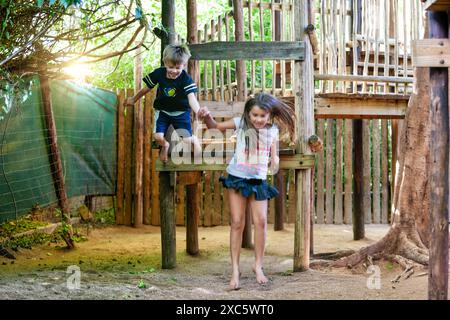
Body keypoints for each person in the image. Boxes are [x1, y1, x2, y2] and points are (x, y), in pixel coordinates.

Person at [198, 93, 296, 290]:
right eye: (255, 115)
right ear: (248, 114)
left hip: (258, 180)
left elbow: (274, 156)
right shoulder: (241, 124)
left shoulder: (273, 131)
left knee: (260, 222)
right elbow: (214, 128)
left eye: (262, 116)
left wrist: (274, 162)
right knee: (237, 222)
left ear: (269, 115)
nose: (258, 119)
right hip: (236, 177)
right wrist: (207, 116)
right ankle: (235, 269)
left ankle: (258, 266)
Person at [125, 44, 201, 163]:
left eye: (178, 68)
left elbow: (191, 98)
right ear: (165, 63)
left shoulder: (186, 79)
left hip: (181, 113)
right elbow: (146, 88)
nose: (174, 71)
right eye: (171, 67)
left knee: (186, 140)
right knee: (158, 137)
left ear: (183, 66)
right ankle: (165, 146)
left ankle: (194, 140)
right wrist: (134, 99)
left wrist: (199, 111)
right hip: (162, 112)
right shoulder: (159, 73)